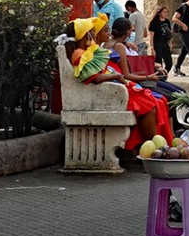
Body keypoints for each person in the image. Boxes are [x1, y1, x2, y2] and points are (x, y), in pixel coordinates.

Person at [61, 15, 174, 150]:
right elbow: (95, 78)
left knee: (155, 100)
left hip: (111, 88)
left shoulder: (88, 52)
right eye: (92, 32)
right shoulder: (80, 55)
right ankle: (155, 147)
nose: (94, 35)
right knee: (148, 105)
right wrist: (116, 76)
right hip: (104, 93)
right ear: (86, 36)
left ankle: (156, 145)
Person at [148, 6, 174, 75]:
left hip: (165, 43)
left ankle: (163, 75)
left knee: (169, 63)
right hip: (157, 44)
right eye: (164, 12)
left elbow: (169, 33)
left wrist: (170, 43)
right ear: (159, 13)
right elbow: (151, 36)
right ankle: (159, 77)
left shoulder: (167, 21)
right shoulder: (154, 22)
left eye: (166, 12)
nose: (166, 14)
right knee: (158, 63)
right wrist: (152, 48)